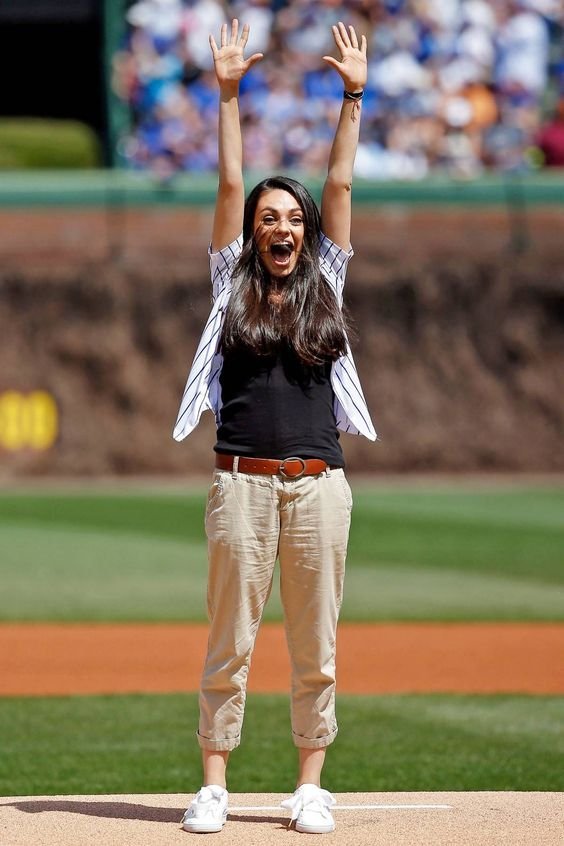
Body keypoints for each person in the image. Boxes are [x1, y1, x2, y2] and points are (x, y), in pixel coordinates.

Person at [173, 18, 376, 835]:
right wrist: (227, 95)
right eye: (269, 219)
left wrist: (353, 98)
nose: (281, 227)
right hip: (241, 486)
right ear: (253, 232)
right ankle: (215, 785)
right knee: (230, 644)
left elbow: (344, 188)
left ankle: (309, 786)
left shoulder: (326, 273)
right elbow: (228, 182)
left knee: (316, 650)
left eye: (292, 217)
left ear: (307, 230)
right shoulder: (231, 280)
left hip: (319, 487)